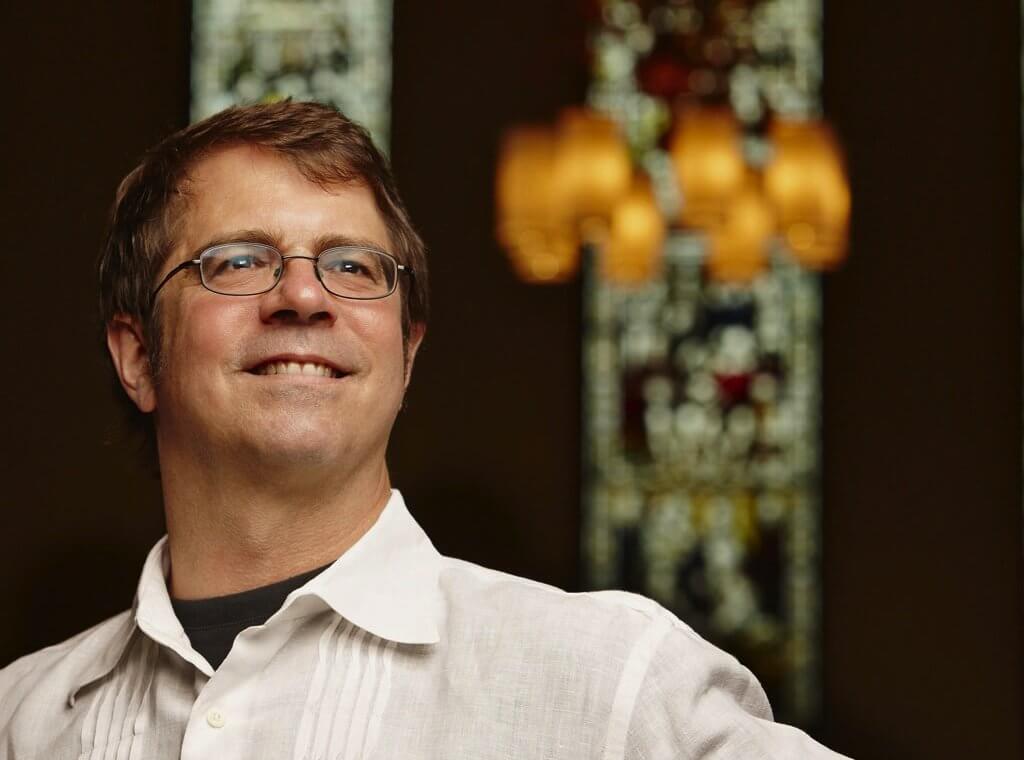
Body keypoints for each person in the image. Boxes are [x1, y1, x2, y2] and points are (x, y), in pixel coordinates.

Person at [0, 100, 849, 759]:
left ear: (405, 356)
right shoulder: (21, 720)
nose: (304, 296)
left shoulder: (610, 682)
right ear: (137, 356)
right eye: (240, 260)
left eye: (352, 265)